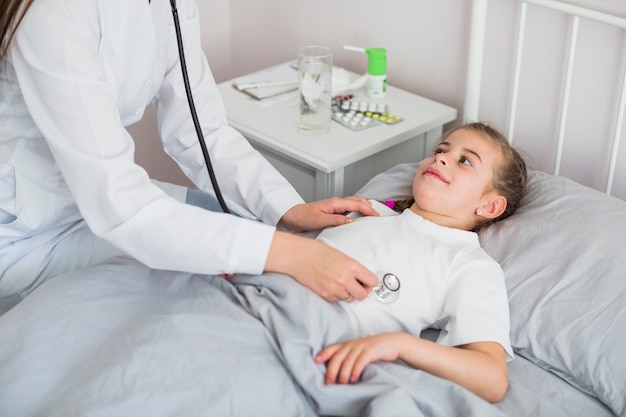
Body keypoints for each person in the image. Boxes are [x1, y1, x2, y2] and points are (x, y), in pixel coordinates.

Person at [0, 0, 380, 311]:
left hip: (92, 199)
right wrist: (287, 253)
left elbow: (203, 132)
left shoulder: (170, 7)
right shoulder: (55, 15)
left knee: (253, 237)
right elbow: (120, 204)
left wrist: (286, 212)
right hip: (23, 235)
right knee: (238, 263)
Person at [307, 122, 528, 403]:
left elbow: (492, 378)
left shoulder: (468, 264)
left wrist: (399, 345)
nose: (441, 157)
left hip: (313, 336)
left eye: (465, 160)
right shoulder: (366, 210)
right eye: (440, 150)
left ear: (489, 206)